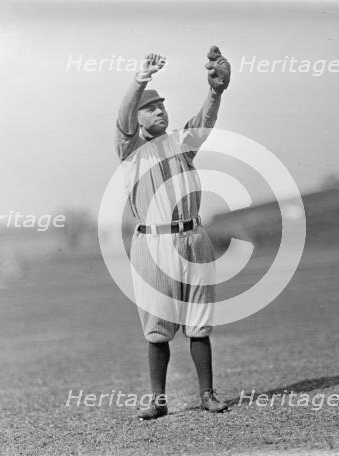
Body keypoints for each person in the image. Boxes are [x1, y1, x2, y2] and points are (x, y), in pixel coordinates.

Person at [114, 46, 231, 420]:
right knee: (158, 328)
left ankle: (208, 394)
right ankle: (158, 400)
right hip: (153, 243)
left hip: (193, 239)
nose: (160, 110)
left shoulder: (181, 143)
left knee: (199, 323)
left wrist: (216, 90)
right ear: (138, 117)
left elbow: (204, 121)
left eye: (162, 105)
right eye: (151, 107)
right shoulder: (131, 150)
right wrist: (140, 80)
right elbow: (122, 118)